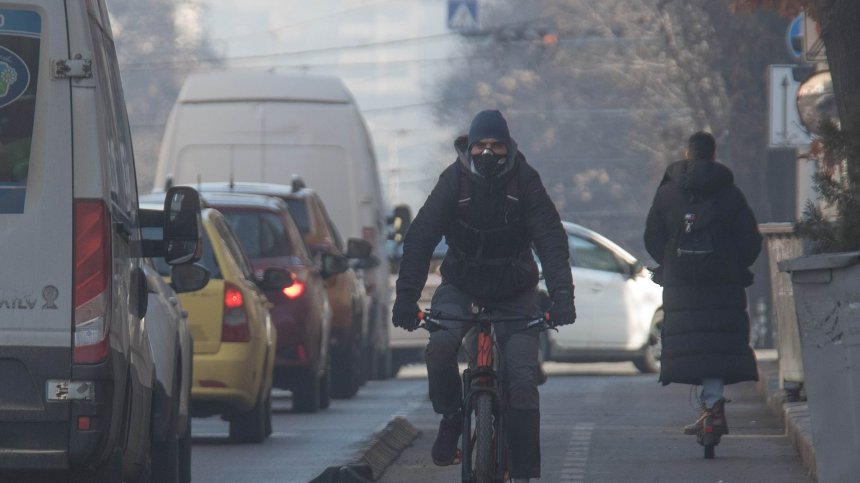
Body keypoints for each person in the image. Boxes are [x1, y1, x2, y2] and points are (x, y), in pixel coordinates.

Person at [392, 110, 575, 482]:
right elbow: (421, 237)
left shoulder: (526, 181)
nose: (488, 153)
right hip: (462, 285)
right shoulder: (453, 181)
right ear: (469, 147)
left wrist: (562, 296)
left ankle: (522, 471)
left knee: (523, 381)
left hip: (516, 290)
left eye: (496, 146)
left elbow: (551, 241)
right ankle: (451, 416)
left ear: (508, 148)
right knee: (440, 348)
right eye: (481, 146)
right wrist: (406, 298)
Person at [643, 131, 762, 436]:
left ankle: (709, 410)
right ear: (713, 156)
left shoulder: (668, 194)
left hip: (681, 285)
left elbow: (652, 237)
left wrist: (671, 263)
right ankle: (713, 409)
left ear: (687, 155)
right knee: (715, 346)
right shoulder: (730, 194)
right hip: (723, 285)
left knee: (693, 345)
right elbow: (750, 240)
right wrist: (734, 266)